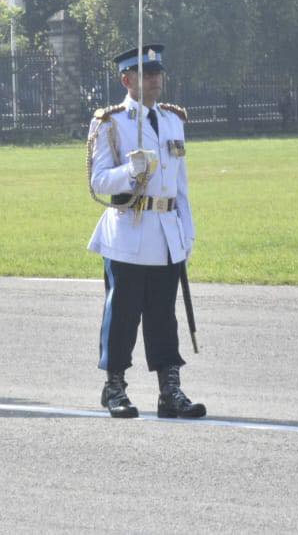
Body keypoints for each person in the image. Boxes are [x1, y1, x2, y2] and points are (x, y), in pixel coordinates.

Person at [86, 44, 205, 420]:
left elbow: (180, 185)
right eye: (146, 74)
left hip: (167, 233)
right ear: (127, 80)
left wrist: (187, 231)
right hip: (129, 232)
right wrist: (130, 172)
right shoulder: (111, 122)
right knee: (122, 315)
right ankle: (114, 387)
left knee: (163, 316)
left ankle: (169, 390)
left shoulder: (173, 120)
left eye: (158, 73)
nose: (155, 79)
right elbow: (98, 181)